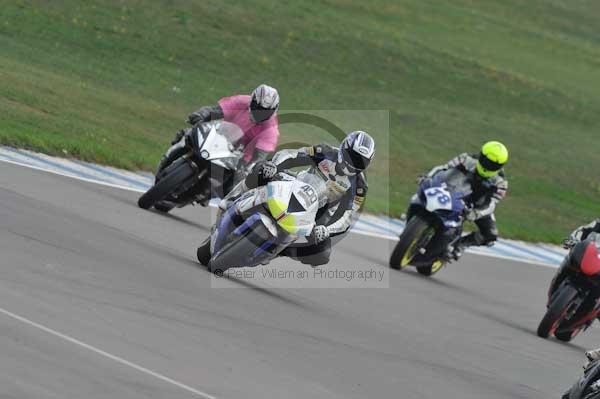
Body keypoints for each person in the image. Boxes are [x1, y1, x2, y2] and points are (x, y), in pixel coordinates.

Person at [212, 130, 376, 267]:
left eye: (361, 161)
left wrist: (327, 230)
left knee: (322, 255)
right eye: (352, 156)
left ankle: (281, 250)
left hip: (318, 214)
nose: (354, 163)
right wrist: (274, 165)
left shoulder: (360, 187)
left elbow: (348, 216)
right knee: (261, 170)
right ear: (343, 148)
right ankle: (232, 199)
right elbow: (292, 155)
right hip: (295, 185)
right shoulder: (324, 151)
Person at [157, 84, 280, 176]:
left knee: (237, 183)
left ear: (274, 110)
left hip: (239, 159)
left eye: (265, 111)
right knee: (187, 134)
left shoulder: (271, 130)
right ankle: (166, 161)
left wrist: (249, 167)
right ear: (252, 101)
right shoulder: (242, 101)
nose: (260, 113)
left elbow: (260, 156)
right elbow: (217, 110)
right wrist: (201, 115)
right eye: (258, 108)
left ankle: (208, 193)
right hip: (219, 137)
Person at [419, 141, 509, 260]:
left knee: (491, 235)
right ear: (481, 155)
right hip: (455, 191)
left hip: (477, 205)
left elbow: (491, 204)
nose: (487, 166)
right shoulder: (466, 158)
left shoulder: (501, 183)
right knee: (425, 194)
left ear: (500, 166)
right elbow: (443, 169)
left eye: (493, 165)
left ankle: (461, 244)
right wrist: (428, 177)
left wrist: (476, 213)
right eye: (486, 161)